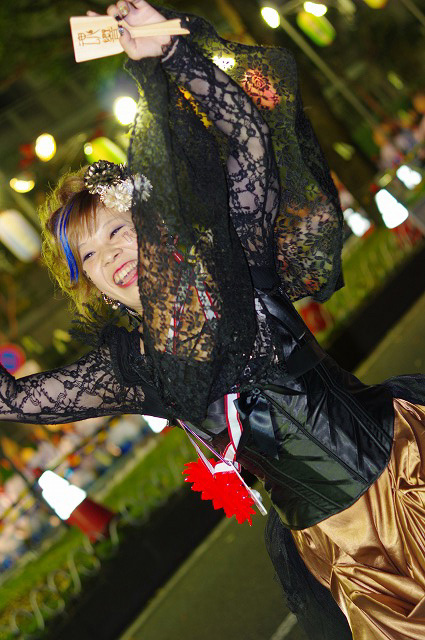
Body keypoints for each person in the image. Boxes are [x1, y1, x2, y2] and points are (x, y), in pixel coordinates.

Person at [2, 2, 425, 638]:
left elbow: (250, 140)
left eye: (117, 231)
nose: (109, 256)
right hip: (346, 555)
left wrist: (170, 56)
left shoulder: (235, 264)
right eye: (87, 256)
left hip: (407, 472)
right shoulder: (133, 367)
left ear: (153, 224)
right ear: (89, 284)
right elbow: (13, 400)